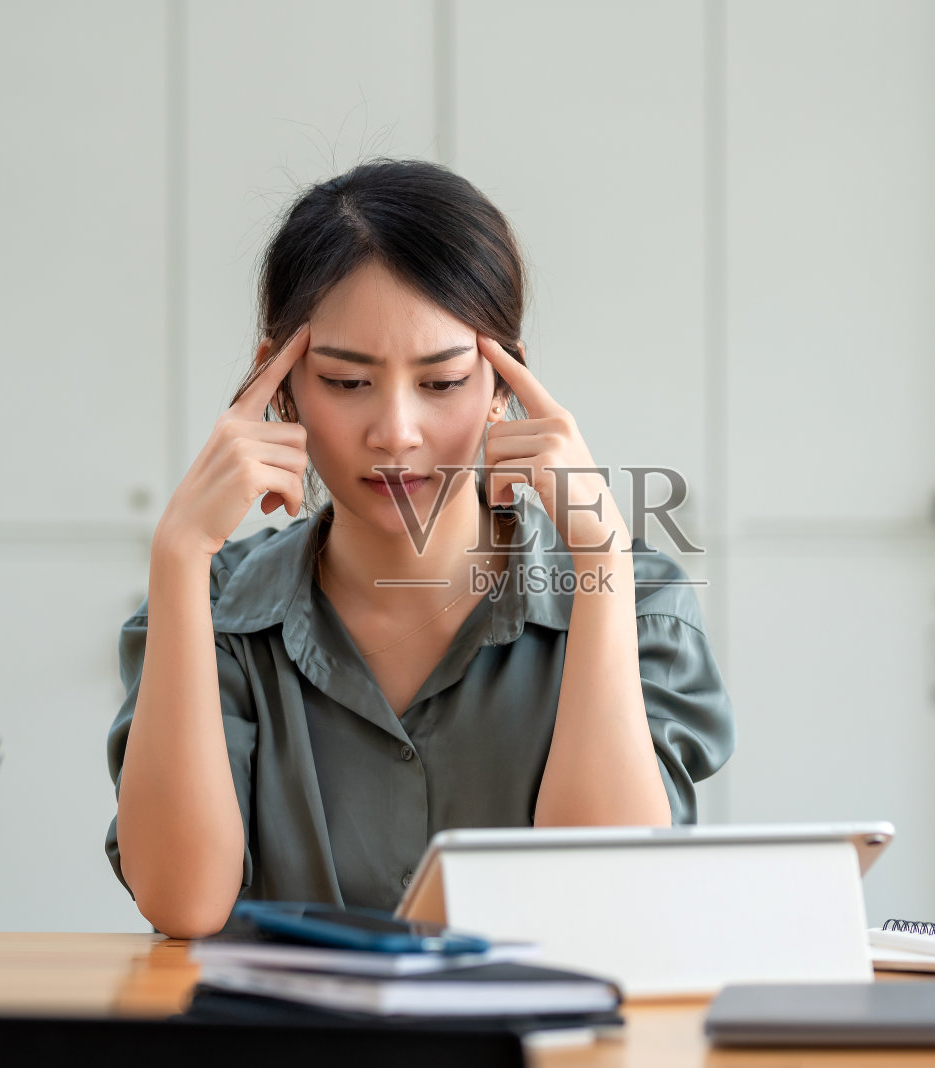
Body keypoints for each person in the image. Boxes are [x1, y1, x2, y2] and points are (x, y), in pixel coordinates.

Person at [104, 159, 734, 939]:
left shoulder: (642, 608)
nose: (396, 433)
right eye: (347, 382)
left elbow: (604, 900)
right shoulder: (213, 611)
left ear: (504, 385)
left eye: (441, 384)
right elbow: (183, 903)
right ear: (282, 385)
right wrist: (178, 555)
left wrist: (600, 563)